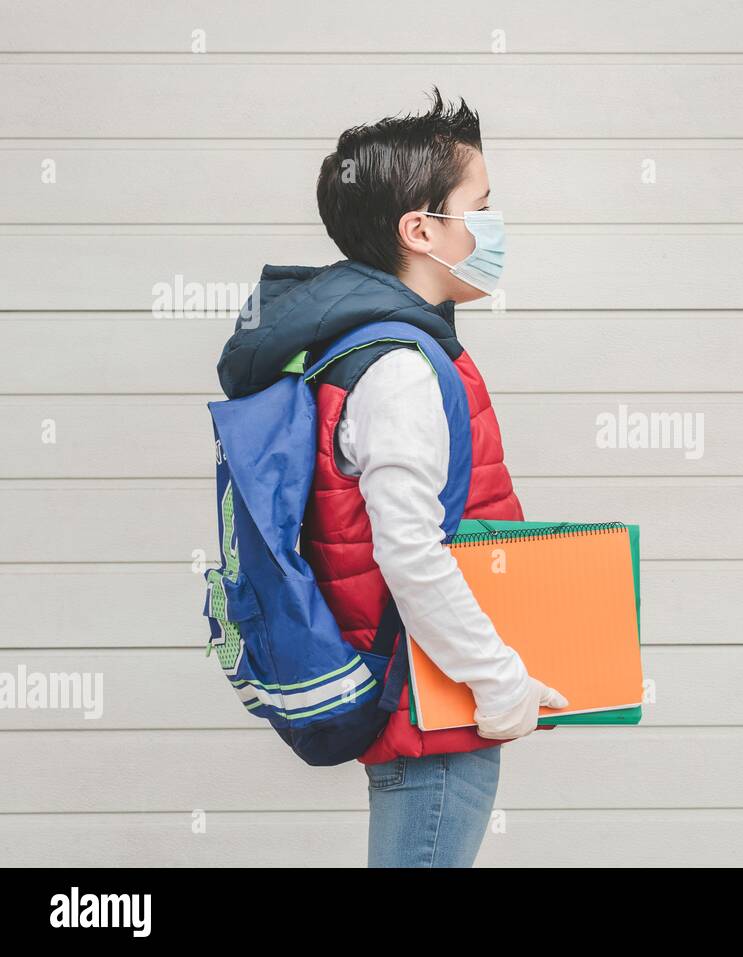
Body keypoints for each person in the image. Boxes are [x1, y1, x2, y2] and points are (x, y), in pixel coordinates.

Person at [214, 88, 565, 867]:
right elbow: (410, 550)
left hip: (428, 697)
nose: (493, 226)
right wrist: (499, 678)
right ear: (422, 229)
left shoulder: (376, 347)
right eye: (481, 205)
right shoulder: (401, 367)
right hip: (433, 706)